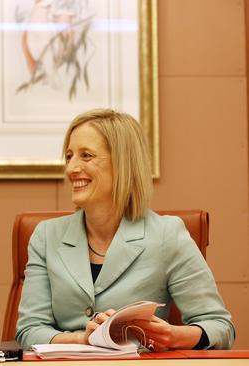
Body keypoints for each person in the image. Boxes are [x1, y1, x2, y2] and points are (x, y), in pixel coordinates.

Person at [15, 109, 235, 350]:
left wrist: (174, 335)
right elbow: (29, 330)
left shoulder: (167, 234)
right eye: (69, 156)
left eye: (86, 156)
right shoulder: (46, 236)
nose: (71, 168)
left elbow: (219, 327)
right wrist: (81, 339)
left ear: (123, 163)